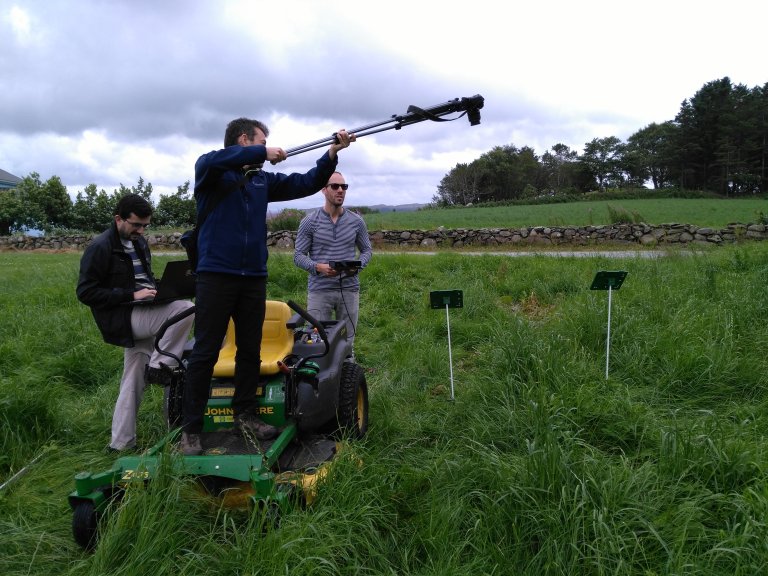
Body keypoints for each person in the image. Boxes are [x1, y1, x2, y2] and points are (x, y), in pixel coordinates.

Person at [180, 118, 356, 456]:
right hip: (215, 274)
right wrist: (264, 151)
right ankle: (191, 429)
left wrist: (332, 152)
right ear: (245, 139)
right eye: (261, 140)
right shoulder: (211, 171)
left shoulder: (261, 180)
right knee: (205, 352)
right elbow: (214, 160)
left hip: (252, 277)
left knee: (250, 349)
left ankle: (244, 415)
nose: (266, 146)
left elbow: (306, 182)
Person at [76, 194, 195, 452]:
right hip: (122, 317)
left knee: (131, 382)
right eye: (136, 225)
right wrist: (132, 295)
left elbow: (144, 279)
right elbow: (85, 293)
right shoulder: (100, 247)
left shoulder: (138, 243)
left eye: (145, 226)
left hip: (143, 311)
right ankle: (161, 365)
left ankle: (120, 443)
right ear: (119, 219)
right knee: (185, 309)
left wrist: (164, 290)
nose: (141, 231)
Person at [293, 171, 372, 354]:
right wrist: (317, 267)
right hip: (320, 290)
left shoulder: (356, 222)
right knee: (317, 342)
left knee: (347, 343)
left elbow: (367, 250)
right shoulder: (310, 222)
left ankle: (350, 380)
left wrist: (358, 266)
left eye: (344, 187)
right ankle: (320, 380)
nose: (340, 190)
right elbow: (298, 256)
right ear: (323, 189)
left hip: (349, 288)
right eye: (335, 186)